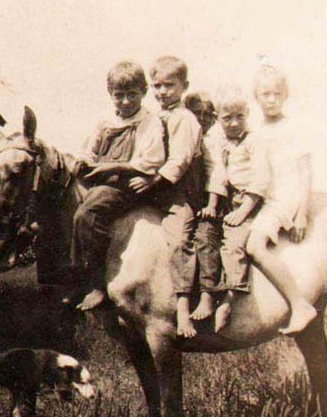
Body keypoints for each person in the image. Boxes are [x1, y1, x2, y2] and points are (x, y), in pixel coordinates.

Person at [70, 60, 165, 311]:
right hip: (104, 178)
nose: (125, 102)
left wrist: (112, 167)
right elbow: (90, 148)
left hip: (128, 183)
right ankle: (73, 279)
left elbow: (150, 159)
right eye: (119, 96)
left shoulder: (148, 122)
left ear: (144, 93)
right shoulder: (105, 121)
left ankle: (97, 284)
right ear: (110, 94)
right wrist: (84, 161)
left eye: (131, 95)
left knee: (87, 214)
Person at [245, 67, 317, 334]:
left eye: (277, 93)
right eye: (266, 94)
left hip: (284, 197)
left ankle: (299, 304)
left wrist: (301, 213)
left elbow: (305, 171)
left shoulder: (292, 128)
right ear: (257, 97)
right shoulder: (257, 130)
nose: (272, 99)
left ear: (285, 96)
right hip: (265, 197)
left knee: (254, 246)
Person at [149, 56, 202, 337]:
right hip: (156, 192)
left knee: (179, 241)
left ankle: (182, 310)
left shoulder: (185, 119)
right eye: (156, 86)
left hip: (180, 193)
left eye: (169, 85)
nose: (162, 92)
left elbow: (179, 160)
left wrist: (155, 180)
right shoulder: (153, 118)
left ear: (184, 86)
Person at [213, 87, 267, 332]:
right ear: (218, 118)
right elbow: (220, 175)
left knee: (234, 243)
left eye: (240, 117)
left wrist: (244, 210)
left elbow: (261, 179)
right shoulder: (222, 143)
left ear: (247, 114)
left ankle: (230, 298)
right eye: (227, 118)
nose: (234, 123)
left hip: (251, 201)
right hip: (231, 199)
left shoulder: (254, 141)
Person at [183, 92, 225, 321]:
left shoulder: (211, 142)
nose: (201, 119)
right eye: (195, 113)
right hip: (188, 202)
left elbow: (217, 174)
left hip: (211, 202)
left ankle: (208, 295)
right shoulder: (186, 136)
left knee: (205, 236)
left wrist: (212, 204)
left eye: (206, 115)